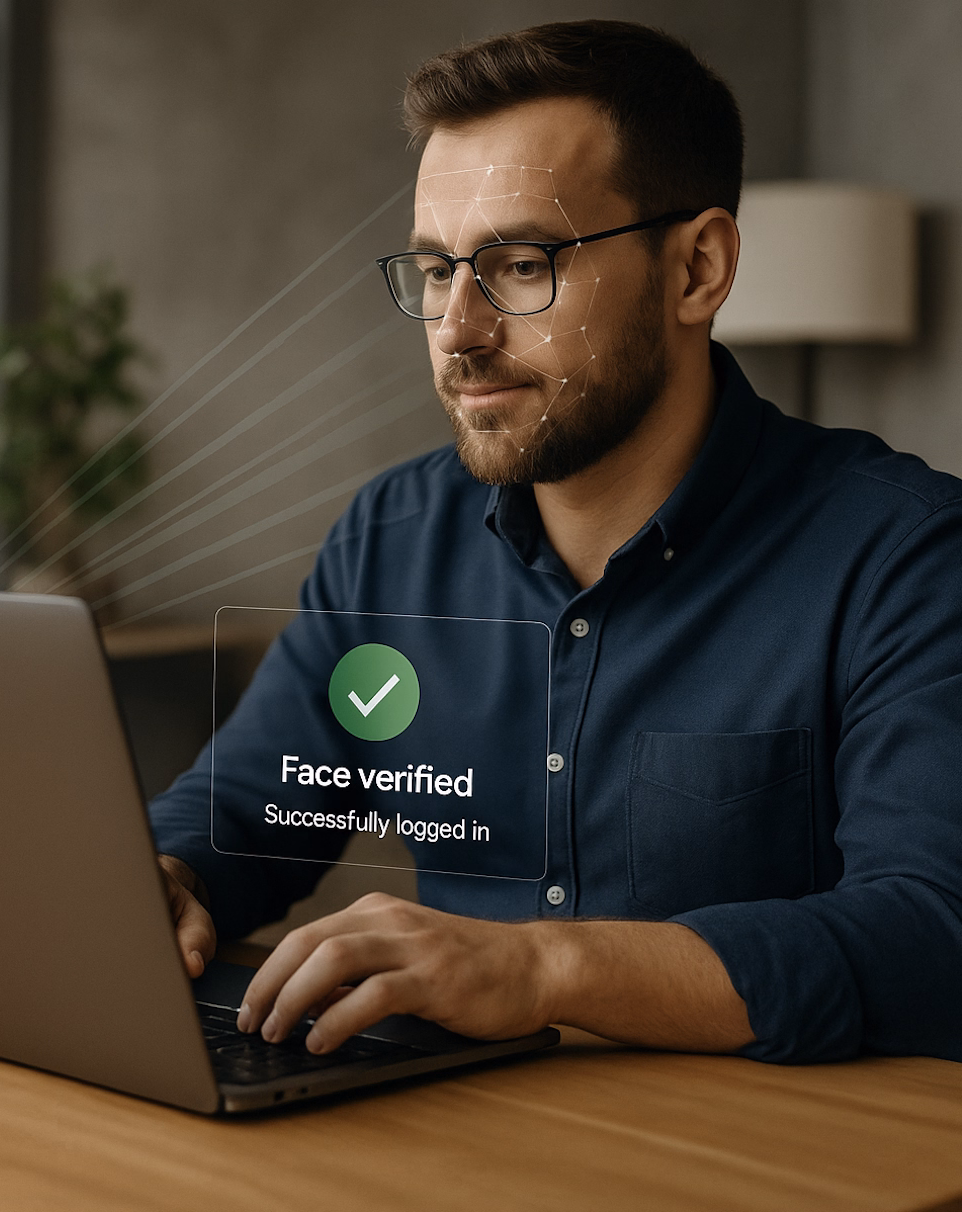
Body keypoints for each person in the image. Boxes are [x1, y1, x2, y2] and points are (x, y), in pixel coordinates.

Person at [150, 20, 962, 1064]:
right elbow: (252, 805)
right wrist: (171, 877)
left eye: (522, 265)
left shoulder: (904, 558)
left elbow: (931, 935)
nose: (457, 330)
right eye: (437, 270)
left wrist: (542, 969)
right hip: (444, 1125)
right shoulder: (391, 539)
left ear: (698, 269)